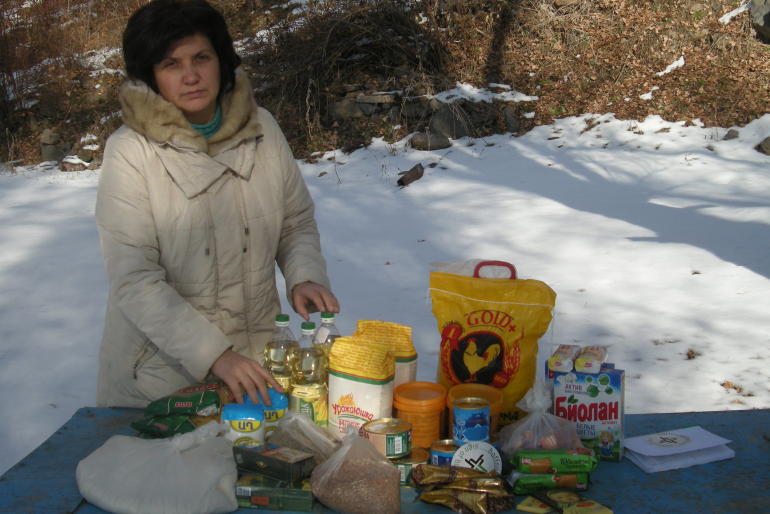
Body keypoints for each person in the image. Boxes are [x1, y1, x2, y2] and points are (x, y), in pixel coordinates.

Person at [95, 0, 338, 409]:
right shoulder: (130, 152)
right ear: (151, 76)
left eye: (201, 57)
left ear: (221, 61)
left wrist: (303, 275)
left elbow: (294, 222)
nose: (190, 75)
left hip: (259, 366)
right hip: (161, 380)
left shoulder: (263, 128)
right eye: (170, 64)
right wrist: (214, 355)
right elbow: (134, 279)